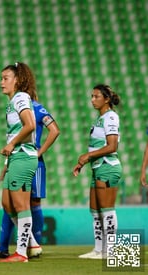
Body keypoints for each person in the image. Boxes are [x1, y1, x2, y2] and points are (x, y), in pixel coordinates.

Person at [0, 98, 60, 259]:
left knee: (32, 202)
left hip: (32, 159)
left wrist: (39, 152)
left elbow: (55, 130)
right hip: (18, 158)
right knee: (11, 202)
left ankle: (33, 245)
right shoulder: (15, 106)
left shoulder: (38, 108)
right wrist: (7, 164)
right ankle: (20, 245)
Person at [73, 84, 121, 259]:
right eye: (92, 97)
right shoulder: (100, 119)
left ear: (106, 99)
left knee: (107, 209)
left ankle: (110, 250)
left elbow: (112, 146)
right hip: (98, 167)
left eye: (96, 97)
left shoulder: (110, 117)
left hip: (108, 167)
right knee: (94, 210)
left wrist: (87, 155)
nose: (92, 100)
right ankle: (99, 249)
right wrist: (84, 162)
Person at [0, 62, 40, 263]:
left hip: (24, 156)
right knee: (7, 202)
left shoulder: (21, 98)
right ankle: (32, 243)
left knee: (21, 205)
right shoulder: (14, 100)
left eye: (5, 78)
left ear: (18, 80)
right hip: (15, 157)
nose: (1, 82)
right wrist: (7, 162)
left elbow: (30, 125)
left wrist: (12, 144)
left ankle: (21, 253)